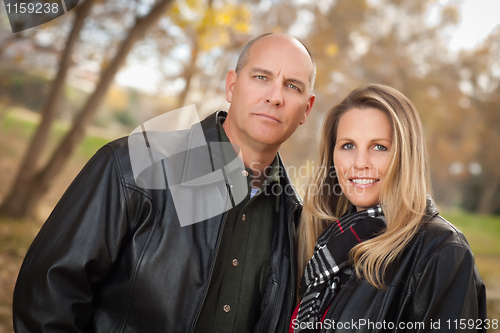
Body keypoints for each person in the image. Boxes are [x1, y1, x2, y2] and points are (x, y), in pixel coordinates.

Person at [12, 33, 316, 333]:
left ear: (307, 108)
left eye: (292, 86)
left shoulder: (298, 225)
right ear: (232, 85)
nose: (275, 96)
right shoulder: (132, 165)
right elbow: (46, 298)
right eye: (262, 77)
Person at [290, 84, 486, 332]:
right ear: (332, 155)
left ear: (405, 156)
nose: (360, 163)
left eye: (379, 147)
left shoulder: (443, 251)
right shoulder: (328, 242)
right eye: (348, 145)